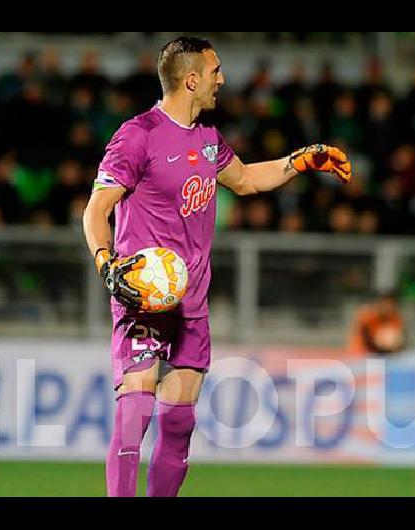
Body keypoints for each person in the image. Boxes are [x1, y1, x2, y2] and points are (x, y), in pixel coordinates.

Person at [81, 36, 351, 498]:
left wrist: (300, 161)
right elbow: (96, 208)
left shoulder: (208, 139)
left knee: (180, 424)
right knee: (134, 417)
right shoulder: (138, 134)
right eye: (214, 71)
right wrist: (107, 264)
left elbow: (244, 180)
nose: (221, 79)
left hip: (191, 304)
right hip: (144, 297)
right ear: (191, 79)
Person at [347, 290, 405, 356]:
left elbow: (399, 339)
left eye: (391, 303)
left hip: (384, 356)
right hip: (363, 355)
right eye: (385, 303)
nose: (388, 307)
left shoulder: (395, 317)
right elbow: (368, 341)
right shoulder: (368, 316)